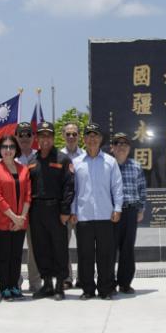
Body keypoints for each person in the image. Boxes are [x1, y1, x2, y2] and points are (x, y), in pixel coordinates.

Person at [72, 123, 123, 299]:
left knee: (106, 255)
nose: (92, 139)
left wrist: (117, 208)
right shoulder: (77, 162)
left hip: (105, 215)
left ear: (101, 139)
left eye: (96, 136)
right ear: (84, 139)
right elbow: (74, 190)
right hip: (83, 216)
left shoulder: (110, 162)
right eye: (89, 136)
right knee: (85, 255)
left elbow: (117, 187)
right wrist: (73, 211)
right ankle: (87, 289)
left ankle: (106, 289)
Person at [27, 122, 74, 299]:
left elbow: (69, 187)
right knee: (41, 248)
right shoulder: (32, 161)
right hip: (37, 210)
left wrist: (65, 211)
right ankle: (47, 284)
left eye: (48, 135)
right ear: (37, 138)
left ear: (54, 138)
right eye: (41, 135)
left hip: (56, 210)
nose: (45, 139)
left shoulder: (63, 159)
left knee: (59, 248)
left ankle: (60, 286)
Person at [0, 135, 31, 299]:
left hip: (21, 221)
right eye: (5, 147)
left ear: (16, 150)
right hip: (3, 220)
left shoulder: (23, 169)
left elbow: (28, 195)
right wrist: (14, 217)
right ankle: (5, 286)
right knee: (4, 255)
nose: (8, 150)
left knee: (16, 255)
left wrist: (21, 218)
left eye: (11, 147)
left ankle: (15, 285)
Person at [111, 133, 147, 295]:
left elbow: (142, 189)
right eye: (118, 144)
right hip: (112, 213)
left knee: (127, 249)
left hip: (131, 211)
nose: (121, 147)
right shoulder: (108, 165)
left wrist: (141, 209)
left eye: (125, 144)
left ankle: (125, 283)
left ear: (129, 148)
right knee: (110, 248)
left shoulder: (136, 166)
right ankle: (109, 282)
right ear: (112, 147)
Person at [14, 122, 43, 295]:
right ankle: (15, 282)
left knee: (35, 248)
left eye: (28, 134)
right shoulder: (9, 156)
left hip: (35, 210)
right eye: (21, 134)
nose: (24, 138)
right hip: (15, 211)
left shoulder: (39, 157)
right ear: (16, 136)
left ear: (33, 137)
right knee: (15, 249)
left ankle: (35, 283)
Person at [59, 120, 83, 288]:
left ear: (79, 136)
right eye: (68, 134)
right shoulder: (59, 156)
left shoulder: (85, 156)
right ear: (63, 136)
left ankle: (83, 277)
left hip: (82, 209)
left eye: (74, 134)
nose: (71, 137)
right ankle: (66, 278)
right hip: (64, 209)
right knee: (62, 246)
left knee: (84, 245)